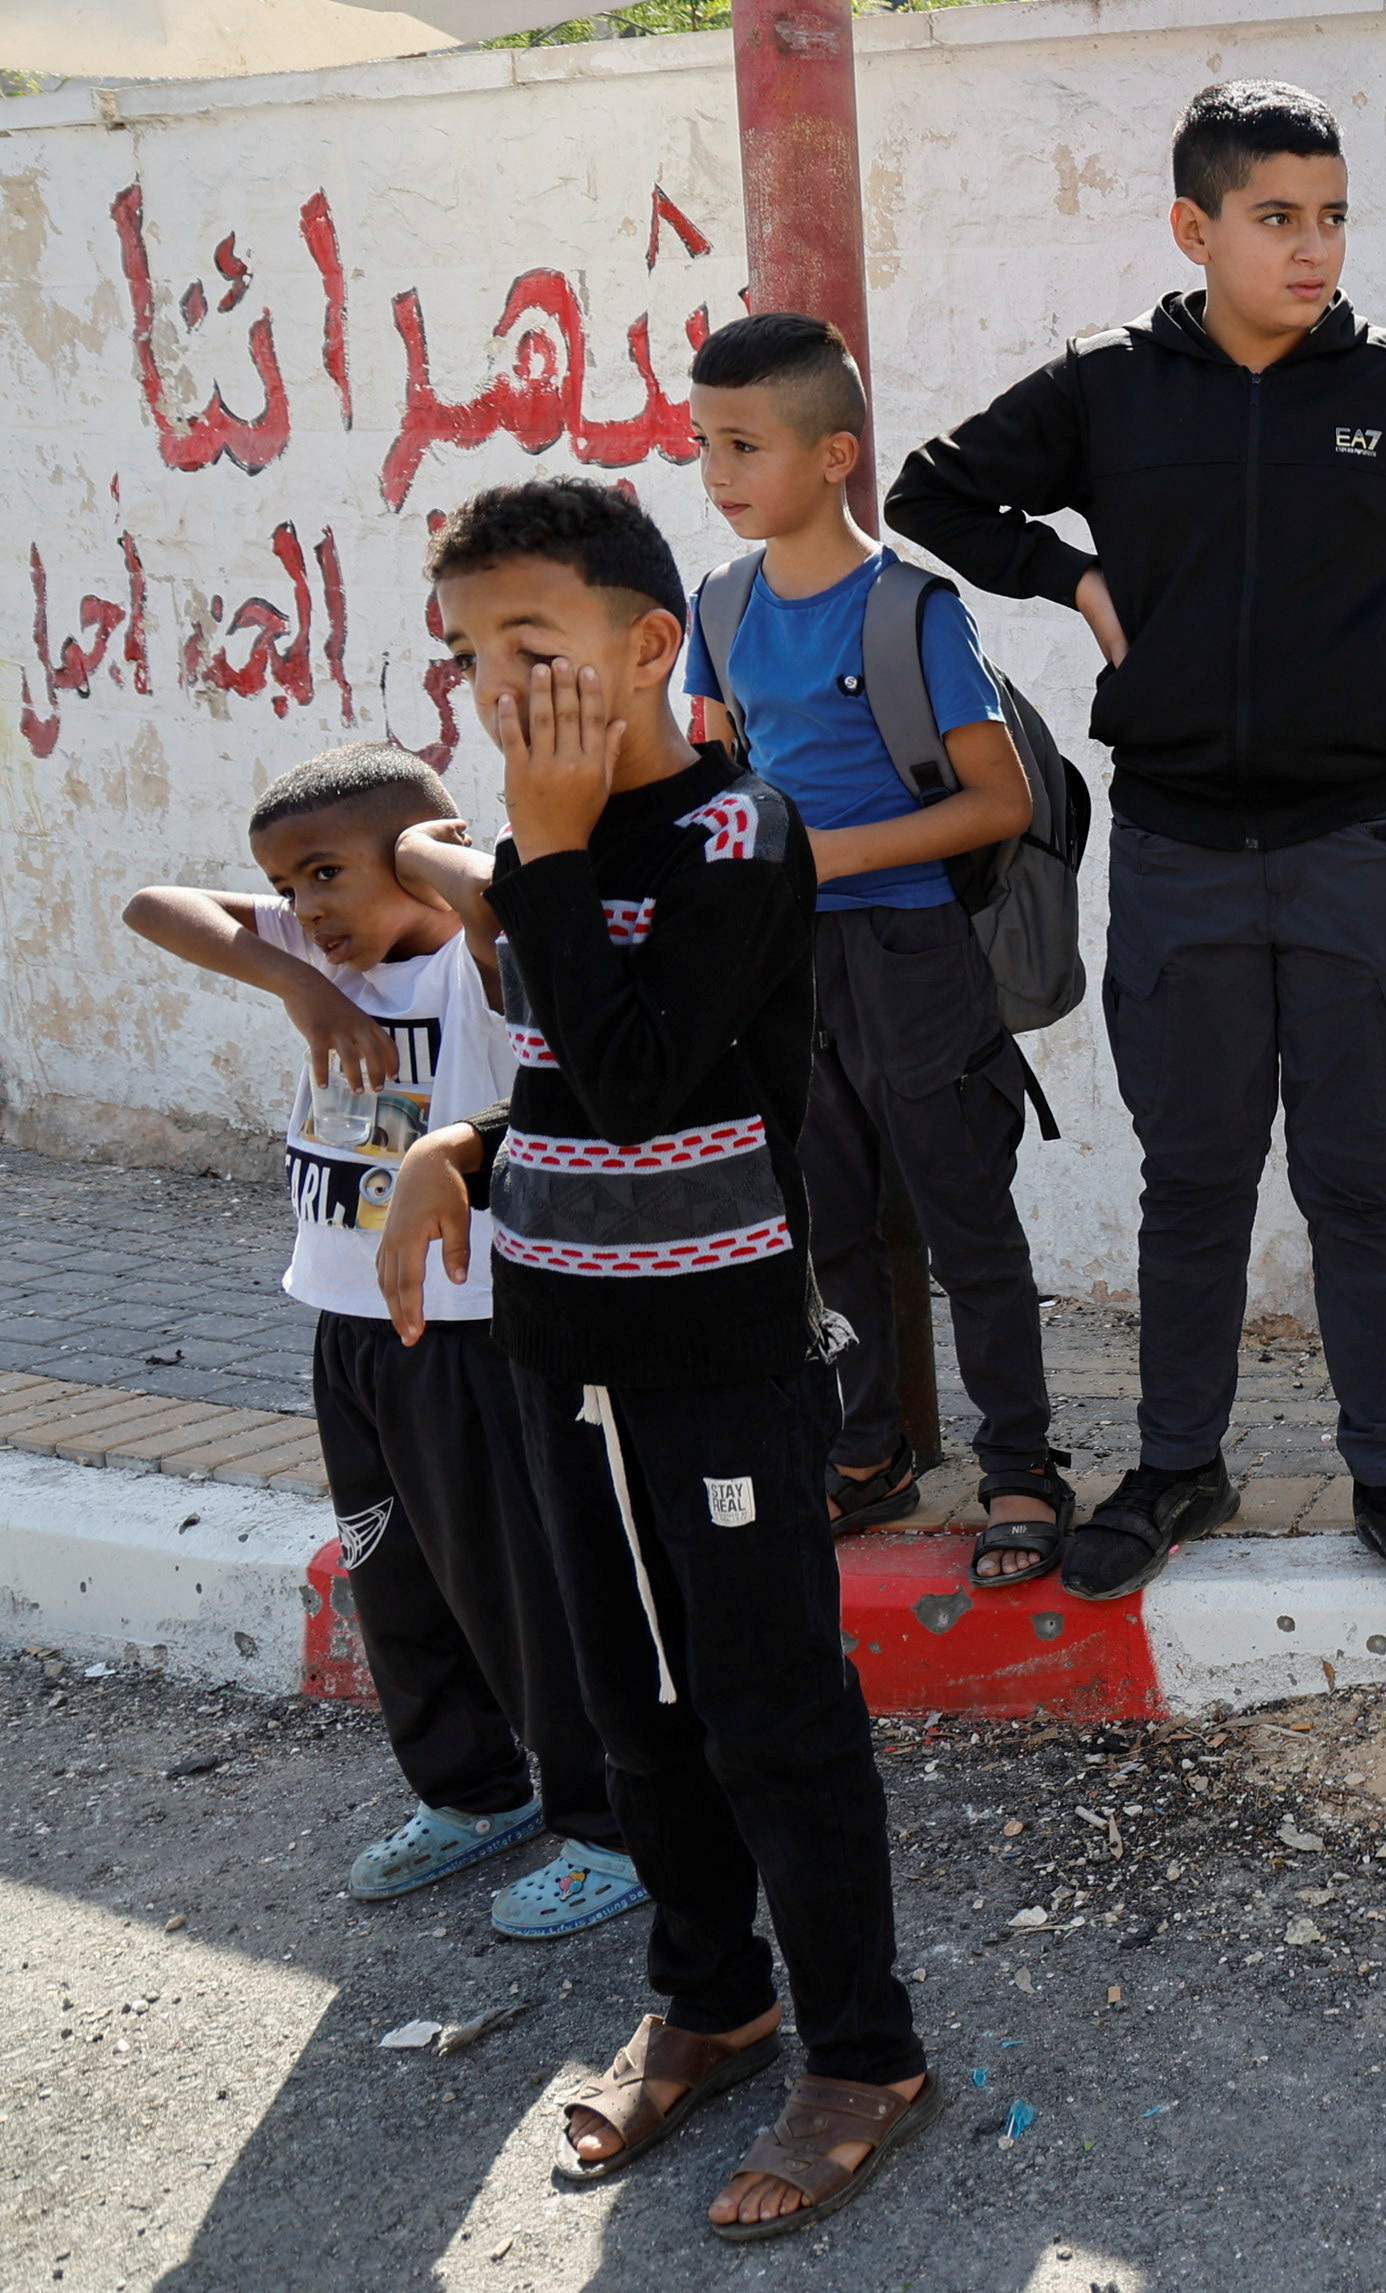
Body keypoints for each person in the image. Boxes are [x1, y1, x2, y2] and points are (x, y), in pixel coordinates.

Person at [887, 78, 1386, 1614]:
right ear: (1196, 226)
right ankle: (1176, 1467)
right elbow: (931, 492)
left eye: (1334, 216)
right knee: (1195, 1179)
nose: (1314, 250)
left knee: (1363, 1182)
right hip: (1177, 851)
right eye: (1278, 218)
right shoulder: (1109, 391)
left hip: (1360, 845)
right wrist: (1077, 583)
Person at [372, 477, 937, 2238]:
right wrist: (444, 1155)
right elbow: (555, 1089)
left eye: (533, 649)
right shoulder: (541, 855)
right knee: (628, 1709)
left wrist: (534, 850)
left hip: (717, 1357)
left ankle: (860, 2045)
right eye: (470, 656)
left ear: (647, 646)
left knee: (772, 1709)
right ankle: (711, 1995)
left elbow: (643, 1077)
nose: (497, 688)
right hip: (559, 1345)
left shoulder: (737, 840)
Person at [121, 745, 643, 1941]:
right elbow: (155, 903)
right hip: (350, 1324)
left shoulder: (472, 965)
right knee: (396, 1578)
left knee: (523, 1592)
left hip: (474, 1336)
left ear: (419, 857)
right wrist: (296, 982)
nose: (305, 907)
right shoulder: (315, 956)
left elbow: (496, 897)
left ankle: (614, 1826)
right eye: (286, 885)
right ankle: (470, 1792)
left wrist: (421, 855)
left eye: (325, 876)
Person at [681, 310, 1073, 1582]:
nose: (718, 472)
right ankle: (868, 1453)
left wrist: (819, 858)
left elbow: (999, 800)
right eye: (703, 443)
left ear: (836, 453)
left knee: (967, 1225)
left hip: (913, 960)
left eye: (744, 444)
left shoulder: (911, 611)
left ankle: (1022, 1468)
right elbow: (723, 769)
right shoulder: (719, 604)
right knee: (825, 1221)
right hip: (789, 978)